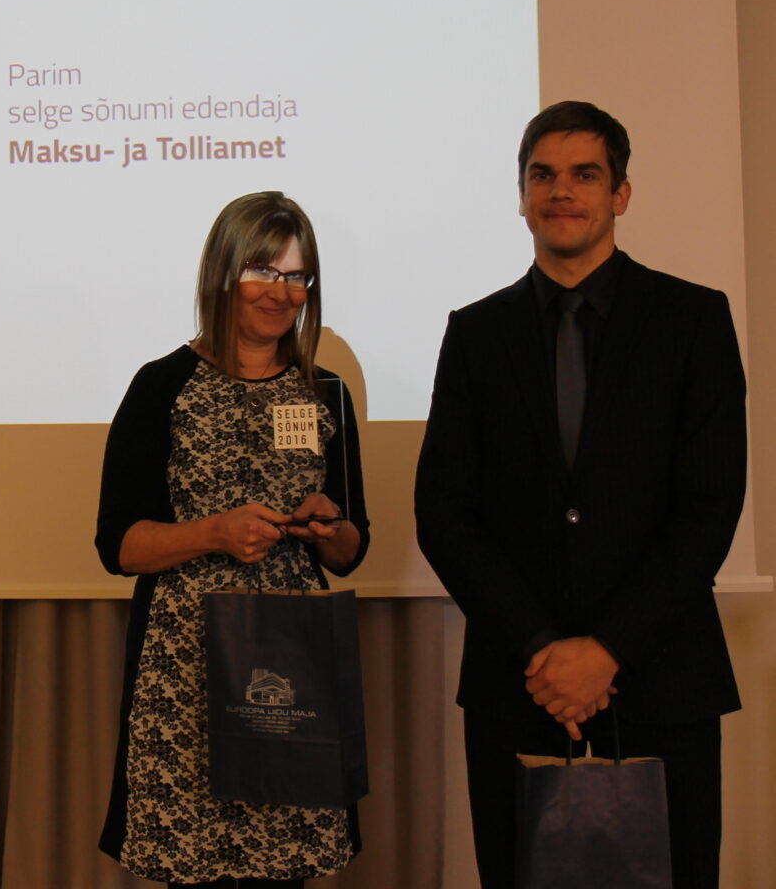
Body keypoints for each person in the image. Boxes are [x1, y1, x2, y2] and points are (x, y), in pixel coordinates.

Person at [414, 101, 746, 889]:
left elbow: (708, 506)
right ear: (521, 196)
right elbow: (444, 513)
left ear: (619, 194)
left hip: (661, 681)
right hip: (516, 685)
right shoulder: (474, 333)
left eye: (583, 174)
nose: (560, 190)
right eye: (542, 175)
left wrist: (604, 652)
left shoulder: (693, 319)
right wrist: (541, 649)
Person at [96, 191, 369, 888]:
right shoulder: (161, 386)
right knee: (196, 868)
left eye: (297, 276)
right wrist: (214, 533)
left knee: (286, 869)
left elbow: (351, 550)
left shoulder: (326, 393)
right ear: (223, 273)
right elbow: (118, 545)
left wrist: (328, 528)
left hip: (292, 664)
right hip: (185, 665)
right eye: (263, 271)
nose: (281, 292)